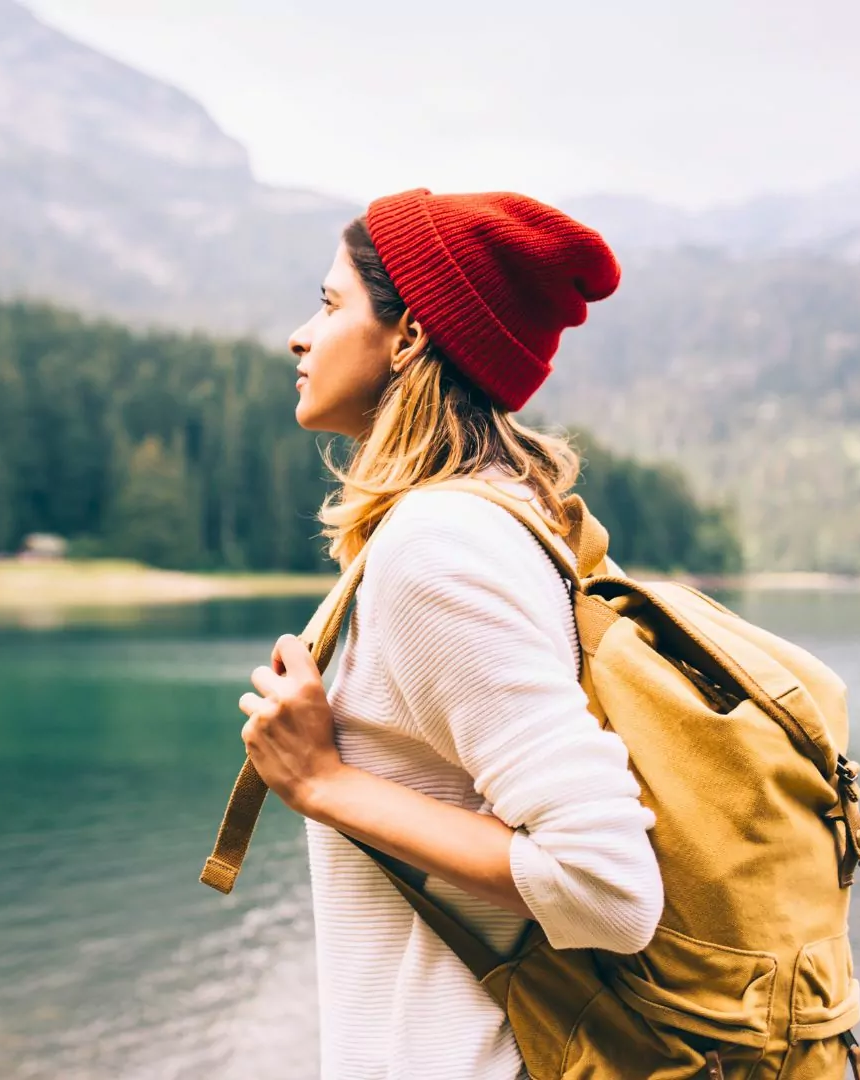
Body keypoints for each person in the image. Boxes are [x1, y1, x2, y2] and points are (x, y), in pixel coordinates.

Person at [236, 189, 662, 1079]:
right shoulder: (489, 522)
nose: (299, 336)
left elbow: (611, 887)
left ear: (411, 336)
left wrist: (322, 781)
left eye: (329, 304)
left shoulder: (441, 547)